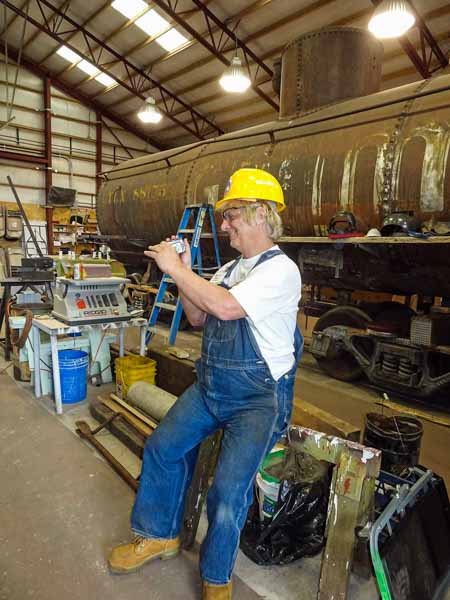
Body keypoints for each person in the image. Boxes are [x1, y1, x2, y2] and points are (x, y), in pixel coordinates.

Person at [108, 168, 303, 600]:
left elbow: (228, 310)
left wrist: (176, 267)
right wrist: (186, 271)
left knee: (227, 494)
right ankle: (158, 534)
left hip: (256, 399)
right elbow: (198, 316)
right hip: (212, 387)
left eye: (231, 214)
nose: (224, 224)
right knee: (162, 448)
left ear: (259, 214)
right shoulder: (230, 268)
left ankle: (217, 579)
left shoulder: (282, 270)